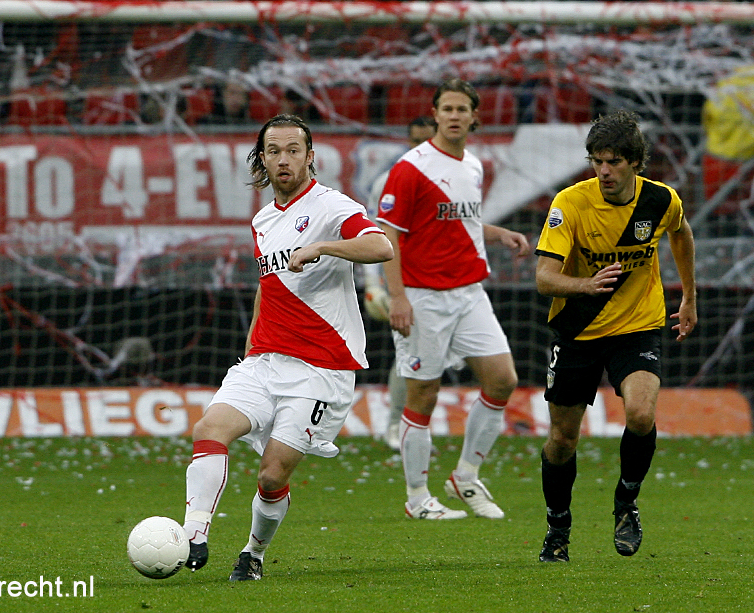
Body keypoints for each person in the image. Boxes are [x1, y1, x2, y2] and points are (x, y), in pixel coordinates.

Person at [180, 114, 394, 581]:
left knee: (271, 477)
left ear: (309, 157)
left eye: (292, 150)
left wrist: (324, 247)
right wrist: (252, 344)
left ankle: (253, 554)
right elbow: (269, 284)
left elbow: (381, 248)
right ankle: (193, 534)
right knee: (209, 429)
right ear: (262, 159)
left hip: (321, 369)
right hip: (265, 360)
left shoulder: (332, 207)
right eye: (273, 151)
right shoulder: (261, 219)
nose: (283, 159)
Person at [533, 110, 697, 562]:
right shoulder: (571, 203)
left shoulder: (661, 201)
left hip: (638, 324)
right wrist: (585, 284)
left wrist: (688, 297)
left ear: (635, 163)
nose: (603, 171)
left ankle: (626, 502)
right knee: (563, 440)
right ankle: (558, 529)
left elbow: (681, 233)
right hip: (579, 329)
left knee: (641, 414)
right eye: (596, 161)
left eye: (613, 161)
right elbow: (544, 278)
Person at [376, 78, 531, 520]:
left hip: (469, 293)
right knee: (423, 396)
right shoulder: (411, 167)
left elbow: (460, 224)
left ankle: (465, 476)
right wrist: (398, 297)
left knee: (502, 379)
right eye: (447, 108)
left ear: (474, 116)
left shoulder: (474, 165)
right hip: (424, 298)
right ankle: (417, 497)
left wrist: (498, 234)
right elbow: (388, 234)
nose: (455, 115)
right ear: (436, 113)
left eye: (463, 109)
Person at [363, 116, 436, 451]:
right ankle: (397, 426)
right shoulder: (388, 182)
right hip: (401, 281)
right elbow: (371, 233)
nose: (421, 148)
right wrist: (372, 284)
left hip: (439, 278)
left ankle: (411, 428)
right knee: (410, 350)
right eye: (415, 141)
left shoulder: (453, 178)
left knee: (433, 353)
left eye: (427, 140)